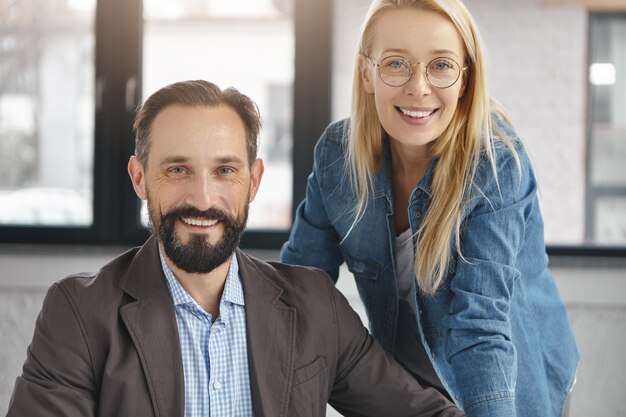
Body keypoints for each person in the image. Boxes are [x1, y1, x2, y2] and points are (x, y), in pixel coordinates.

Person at [7, 80, 464, 417]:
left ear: (254, 180)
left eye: (225, 171)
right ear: (139, 178)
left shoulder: (314, 304)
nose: (203, 199)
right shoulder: (79, 312)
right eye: (178, 170)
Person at [281, 1, 579, 416]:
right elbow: (300, 287)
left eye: (440, 65)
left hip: (511, 384)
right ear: (366, 72)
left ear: (465, 79)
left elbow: (479, 330)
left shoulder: (495, 165)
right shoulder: (337, 156)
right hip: (413, 388)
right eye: (396, 64)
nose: (418, 87)